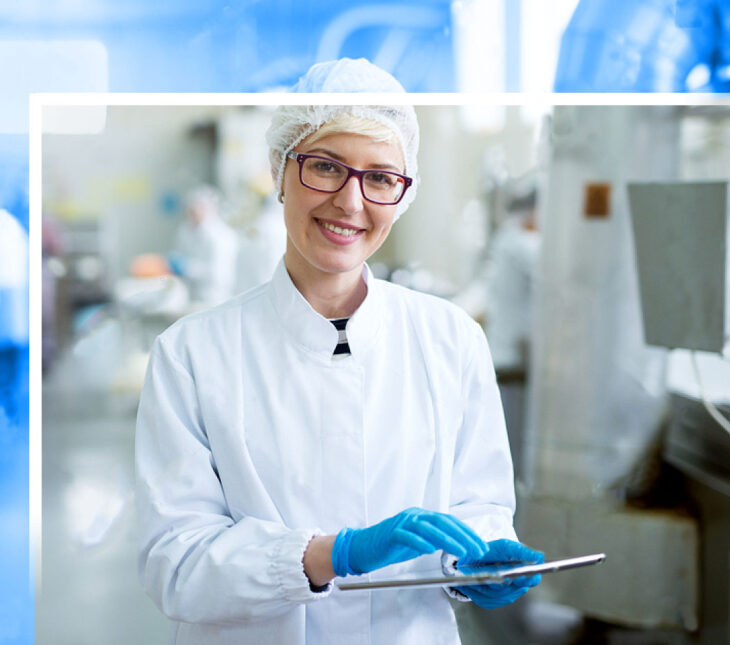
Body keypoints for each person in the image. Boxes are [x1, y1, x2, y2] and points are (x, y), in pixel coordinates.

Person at [136, 58, 542, 644]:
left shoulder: (451, 340)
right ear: (280, 171)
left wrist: (474, 562)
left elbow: (477, 505)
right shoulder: (192, 356)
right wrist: (333, 554)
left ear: (402, 194)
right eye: (325, 167)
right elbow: (177, 565)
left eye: (380, 178)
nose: (351, 202)